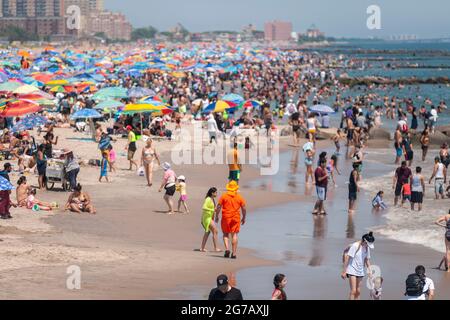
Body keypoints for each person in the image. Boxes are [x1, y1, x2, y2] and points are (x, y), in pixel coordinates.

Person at [215, 181, 247, 259]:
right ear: (236, 188)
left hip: (226, 217)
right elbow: (244, 208)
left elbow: (218, 206)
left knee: (225, 234)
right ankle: (234, 253)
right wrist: (244, 217)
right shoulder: (239, 197)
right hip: (236, 217)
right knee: (234, 235)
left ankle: (227, 249)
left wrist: (217, 215)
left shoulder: (224, 196)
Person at [341, 232, 375, 300]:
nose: (368, 246)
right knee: (353, 291)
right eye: (367, 244)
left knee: (358, 291)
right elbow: (347, 257)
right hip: (352, 269)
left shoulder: (367, 248)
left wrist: (370, 271)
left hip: (360, 270)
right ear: (364, 241)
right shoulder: (355, 246)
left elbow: (366, 260)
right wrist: (344, 271)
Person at [200, 187, 221, 252]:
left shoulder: (212, 199)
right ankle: (216, 248)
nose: (217, 194)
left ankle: (202, 248)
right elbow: (204, 207)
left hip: (209, 218)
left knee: (208, 232)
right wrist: (213, 210)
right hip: (206, 218)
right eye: (216, 192)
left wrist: (215, 217)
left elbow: (213, 210)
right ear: (212, 193)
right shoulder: (208, 199)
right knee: (215, 231)